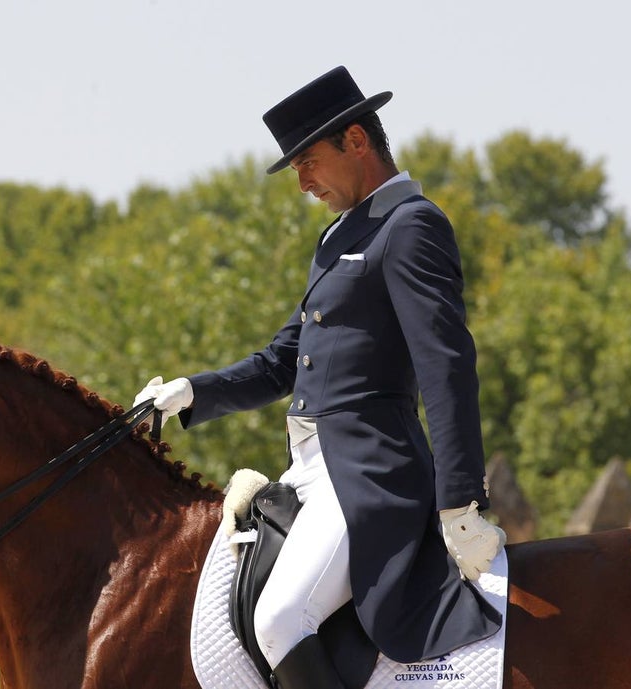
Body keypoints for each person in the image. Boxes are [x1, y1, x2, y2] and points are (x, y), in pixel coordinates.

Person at [134, 66, 505, 689]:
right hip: (307, 470)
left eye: (307, 162)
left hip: (369, 472)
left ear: (355, 141)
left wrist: (460, 499)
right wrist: (193, 391)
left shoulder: (411, 225)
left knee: (280, 620)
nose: (302, 183)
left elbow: (446, 367)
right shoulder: (340, 236)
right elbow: (284, 360)